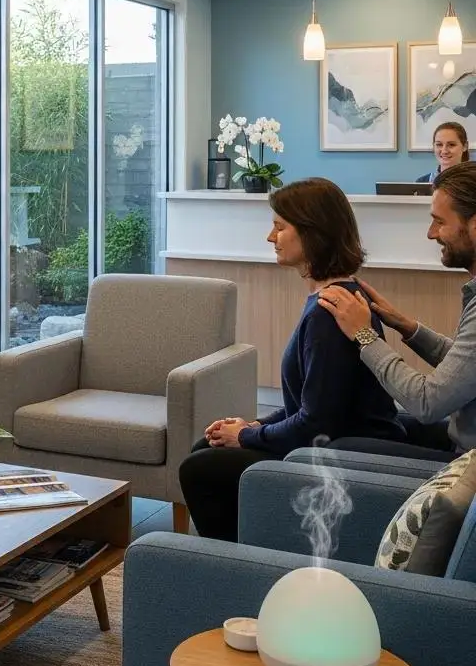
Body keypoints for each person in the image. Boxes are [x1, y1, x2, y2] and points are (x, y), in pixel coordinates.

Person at [178, 178, 405, 542]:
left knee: (199, 468)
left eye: (280, 227)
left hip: (341, 454)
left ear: (312, 234)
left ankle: (235, 564)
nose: (271, 237)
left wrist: (250, 435)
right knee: (209, 447)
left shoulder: (329, 312)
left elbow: (317, 423)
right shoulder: (334, 298)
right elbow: (308, 401)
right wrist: (251, 426)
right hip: (331, 438)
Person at [319, 161, 476, 462]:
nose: (431, 234)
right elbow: (464, 366)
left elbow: (426, 402)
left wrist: (364, 335)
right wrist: (406, 326)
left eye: (439, 222)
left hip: (466, 468)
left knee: (337, 453)